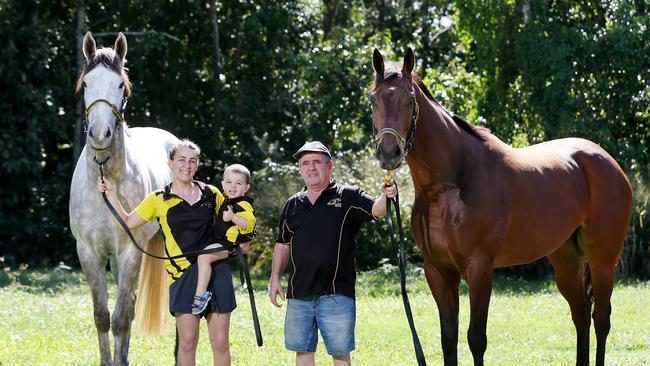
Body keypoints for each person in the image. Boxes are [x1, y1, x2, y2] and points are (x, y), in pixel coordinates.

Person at [98, 139, 244, 366]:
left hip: (217, 273)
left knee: (220, 341)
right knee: (187, 342)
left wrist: (244, 239)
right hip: (182, 275)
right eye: (181, 160)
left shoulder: (212, 193)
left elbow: (232, 223)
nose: (187, 165)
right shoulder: (158, 199)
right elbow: (127, 221)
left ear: (197, 165)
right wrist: (112, 194)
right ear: (170, 163)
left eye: (192, 161)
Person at [268, 141, 397, 366]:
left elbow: (376, 210)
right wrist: (275, 278)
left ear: (330, 166)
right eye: (305, 163)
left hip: (337, 291)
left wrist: (386, 195)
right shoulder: (292, 205)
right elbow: (283, 243)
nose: (311, 168)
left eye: (317, 162)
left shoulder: (348, 196)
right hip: (300, 292)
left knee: (340, 354)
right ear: (299, 169)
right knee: (303, 351)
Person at [193, 164, 256, 315]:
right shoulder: (226, 201)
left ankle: (201, 296)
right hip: (219, 241)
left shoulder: (243, 205)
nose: (233, 186)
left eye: (238, 183)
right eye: (229, 182)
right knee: (201, 255)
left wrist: (233, 217)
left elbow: (249, 224)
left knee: (204, 257)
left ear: (246, 188)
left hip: (228, 245)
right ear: (222, 184)